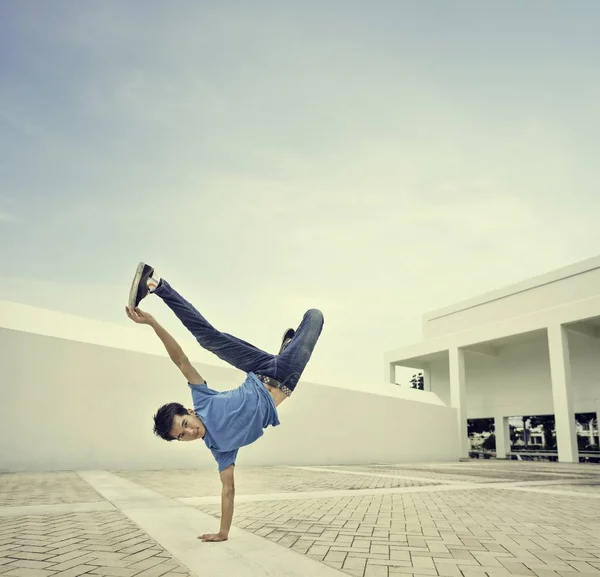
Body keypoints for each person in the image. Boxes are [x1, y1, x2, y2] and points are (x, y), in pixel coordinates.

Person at [125, 262, 324, 542]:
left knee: (209, 338)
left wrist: (153, 323)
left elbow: (180, 359)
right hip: (286, 377)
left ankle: (155, 285)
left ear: (190, 411)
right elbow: (228, 490)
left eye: (185, 424)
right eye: (182, 436)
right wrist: (223, 532)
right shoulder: (220, 449)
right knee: (315, 316)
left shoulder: (203, 400)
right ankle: (288, 350)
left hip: (259, 367)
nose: (190, 432)